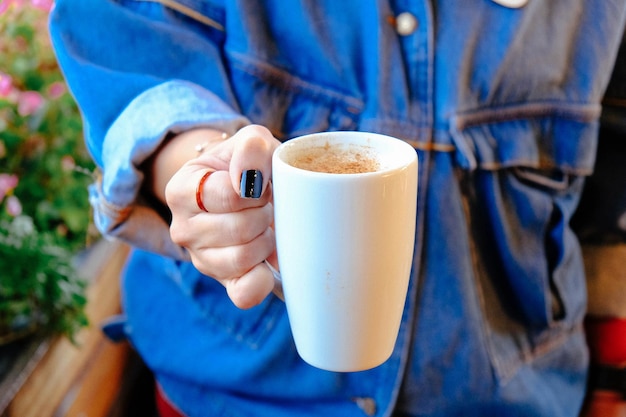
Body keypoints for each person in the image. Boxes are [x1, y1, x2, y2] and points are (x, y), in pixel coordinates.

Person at [48, 1, 626, 416]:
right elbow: (130, 43)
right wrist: (209, 179)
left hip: (512, 399)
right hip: (233, 397)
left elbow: (603, 227)